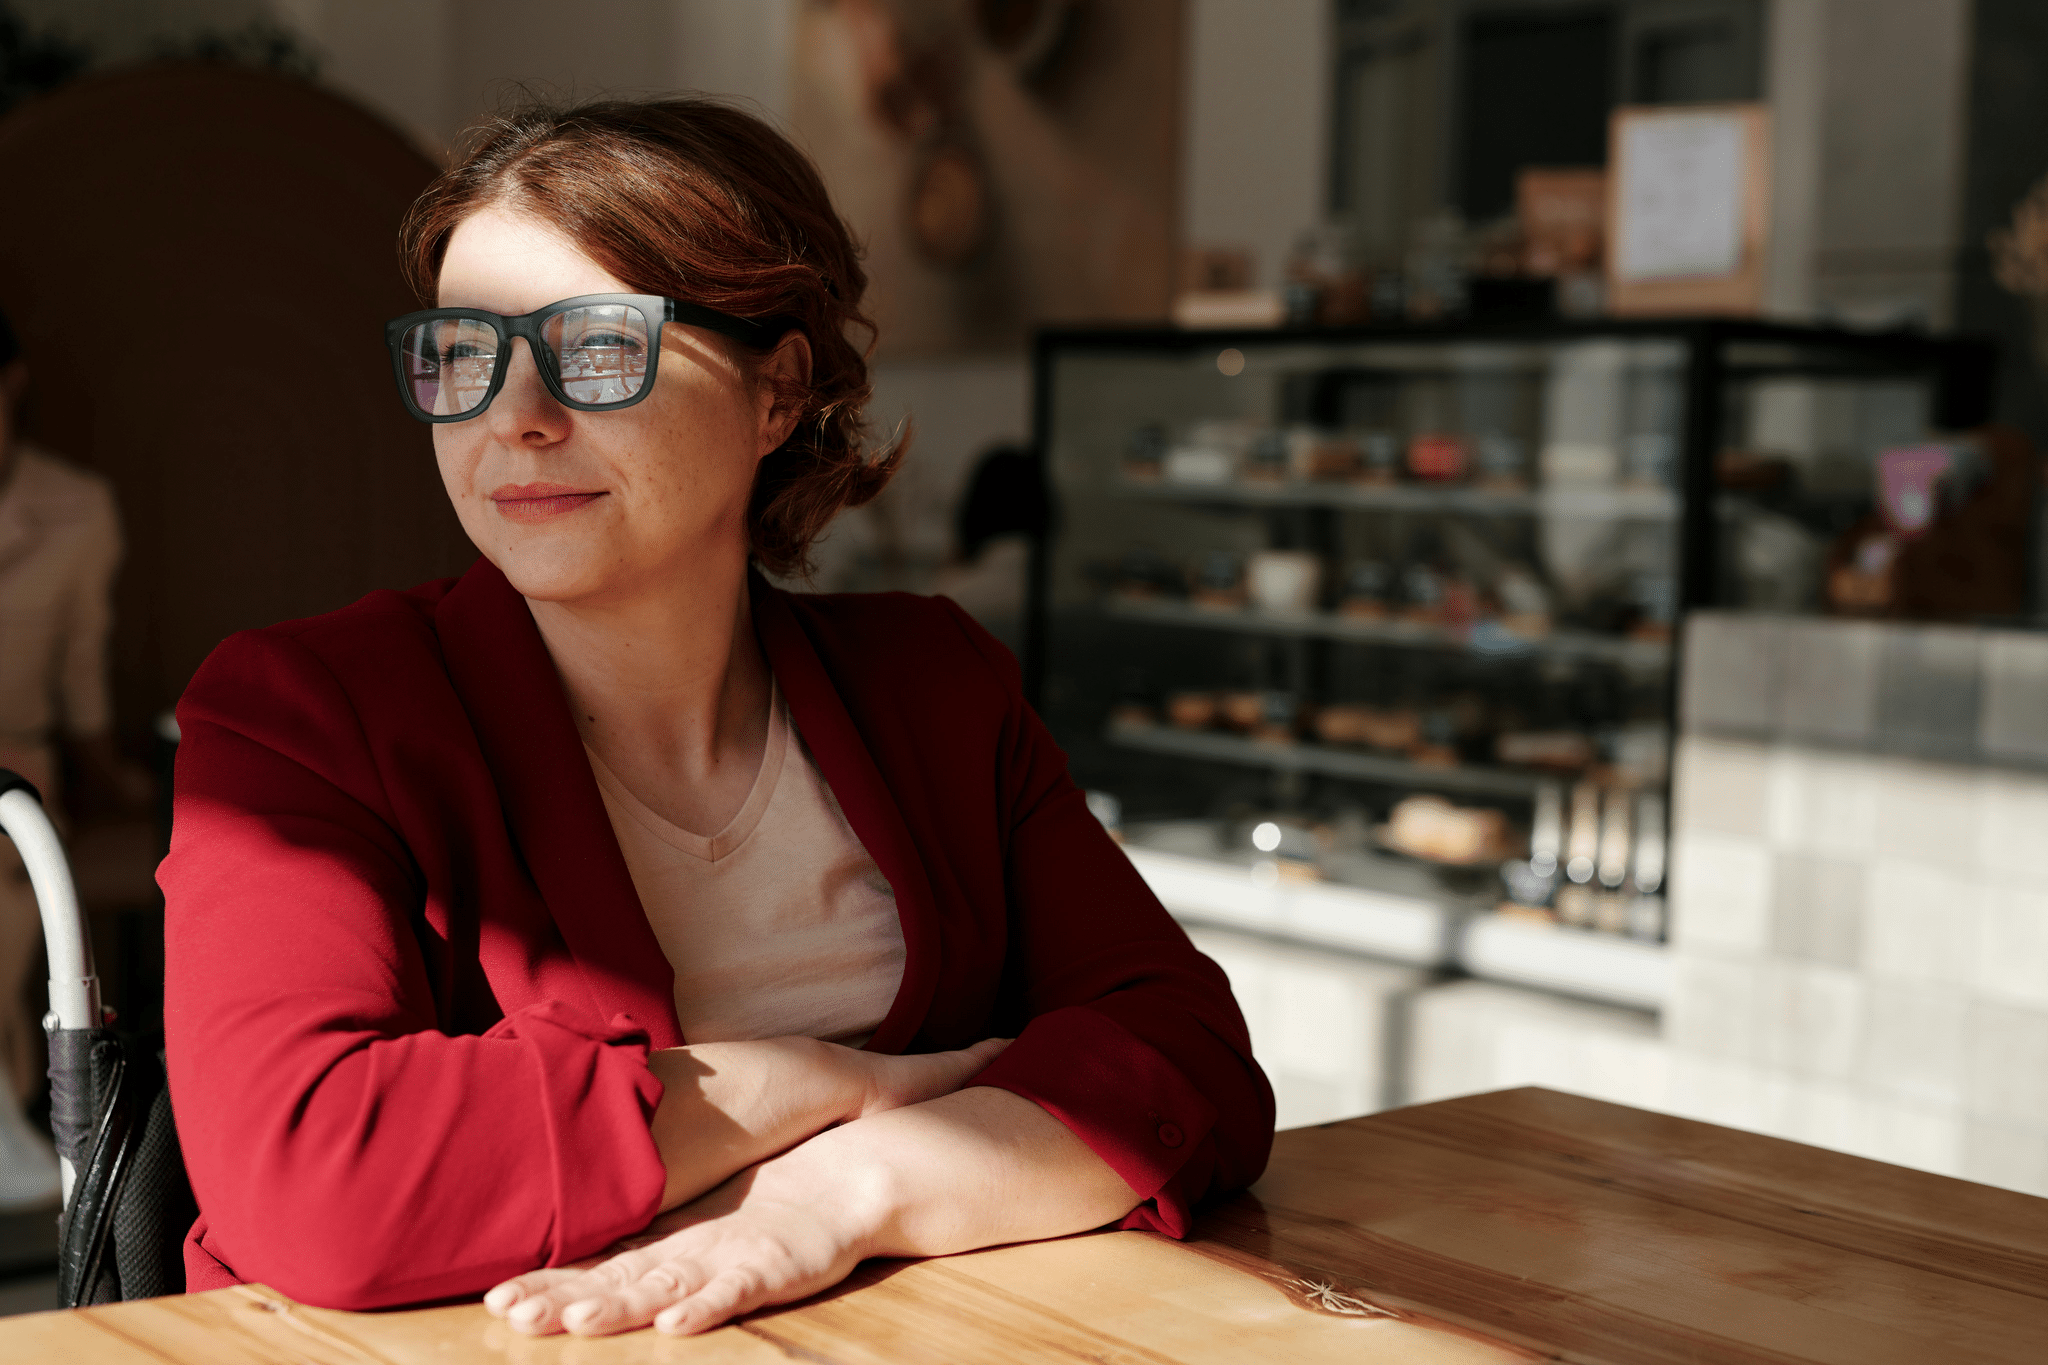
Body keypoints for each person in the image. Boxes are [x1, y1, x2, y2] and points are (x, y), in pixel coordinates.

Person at [158, 98, 1272, 1338]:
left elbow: (1189, 1064)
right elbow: (315, 1180)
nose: (513, 418)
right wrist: (819, 1081)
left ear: (777, 391)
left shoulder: (935, 684)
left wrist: (848, 1190)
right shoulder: (301, 713)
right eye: (464, 352)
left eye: (593, 346)